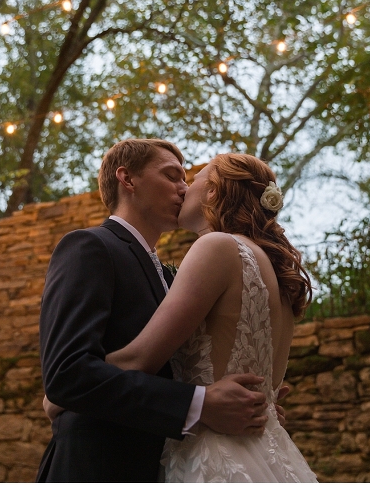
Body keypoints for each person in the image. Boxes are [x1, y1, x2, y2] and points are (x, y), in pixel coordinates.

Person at [36, 139, 272, 483]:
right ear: (127, 179)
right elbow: (67, 373)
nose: (184, 188)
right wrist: (198, 404)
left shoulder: (173, 276)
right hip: (97, 466)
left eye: (187, 180)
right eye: (173, 176)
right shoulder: (89, 246)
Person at [106, 153, 318, 482]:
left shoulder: (217, 247)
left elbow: (141, 357)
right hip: (267, 452)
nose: (182, 188)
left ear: (213, 191)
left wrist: (68, 388)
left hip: (213, 455)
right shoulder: (280, 277)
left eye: (191, 179)